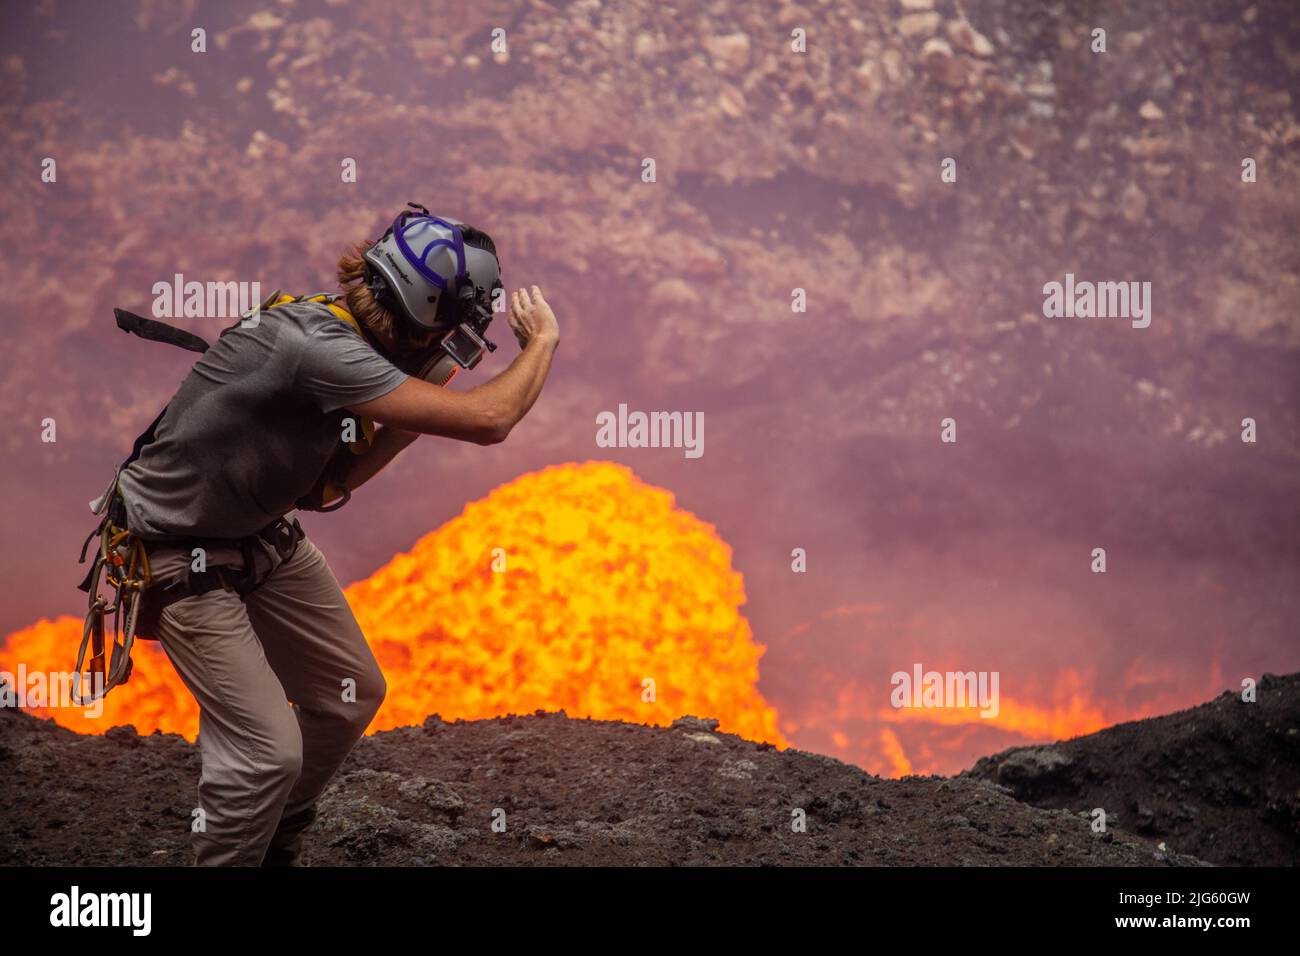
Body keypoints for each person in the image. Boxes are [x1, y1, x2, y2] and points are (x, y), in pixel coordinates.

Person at [114, 206, 559, 865]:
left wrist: (412, 408)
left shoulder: (348, 338)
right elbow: (492, 419)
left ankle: (272, 842)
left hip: (262, 532)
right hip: (177, 549)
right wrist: (542, 343)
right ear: (431, 310)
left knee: (349, 693)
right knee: (267, 753)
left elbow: (329, 486)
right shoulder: (320, 347)